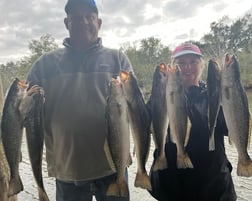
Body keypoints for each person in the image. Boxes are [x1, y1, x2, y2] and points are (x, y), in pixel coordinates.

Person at [24, 0, 133, 200]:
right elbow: (23, 107)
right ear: (66, 23)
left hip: (112, 166)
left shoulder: (118, 59)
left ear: (99, 22)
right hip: (68, 169)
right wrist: (25, 98)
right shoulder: (44, 64)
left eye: (89, 17)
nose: (83, 22)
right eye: (76, 18)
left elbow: (135, 107)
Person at [147, 42, 237, 201]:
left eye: (193, 62)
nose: (187, 67)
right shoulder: (161, 97)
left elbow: (232, 129)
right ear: (171, 67)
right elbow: (145, 124)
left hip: (214, 187)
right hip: (172, 187)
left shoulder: (214, 95)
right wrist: (161, 89)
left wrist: (231, 89)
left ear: (202, 65)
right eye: (181, 63)